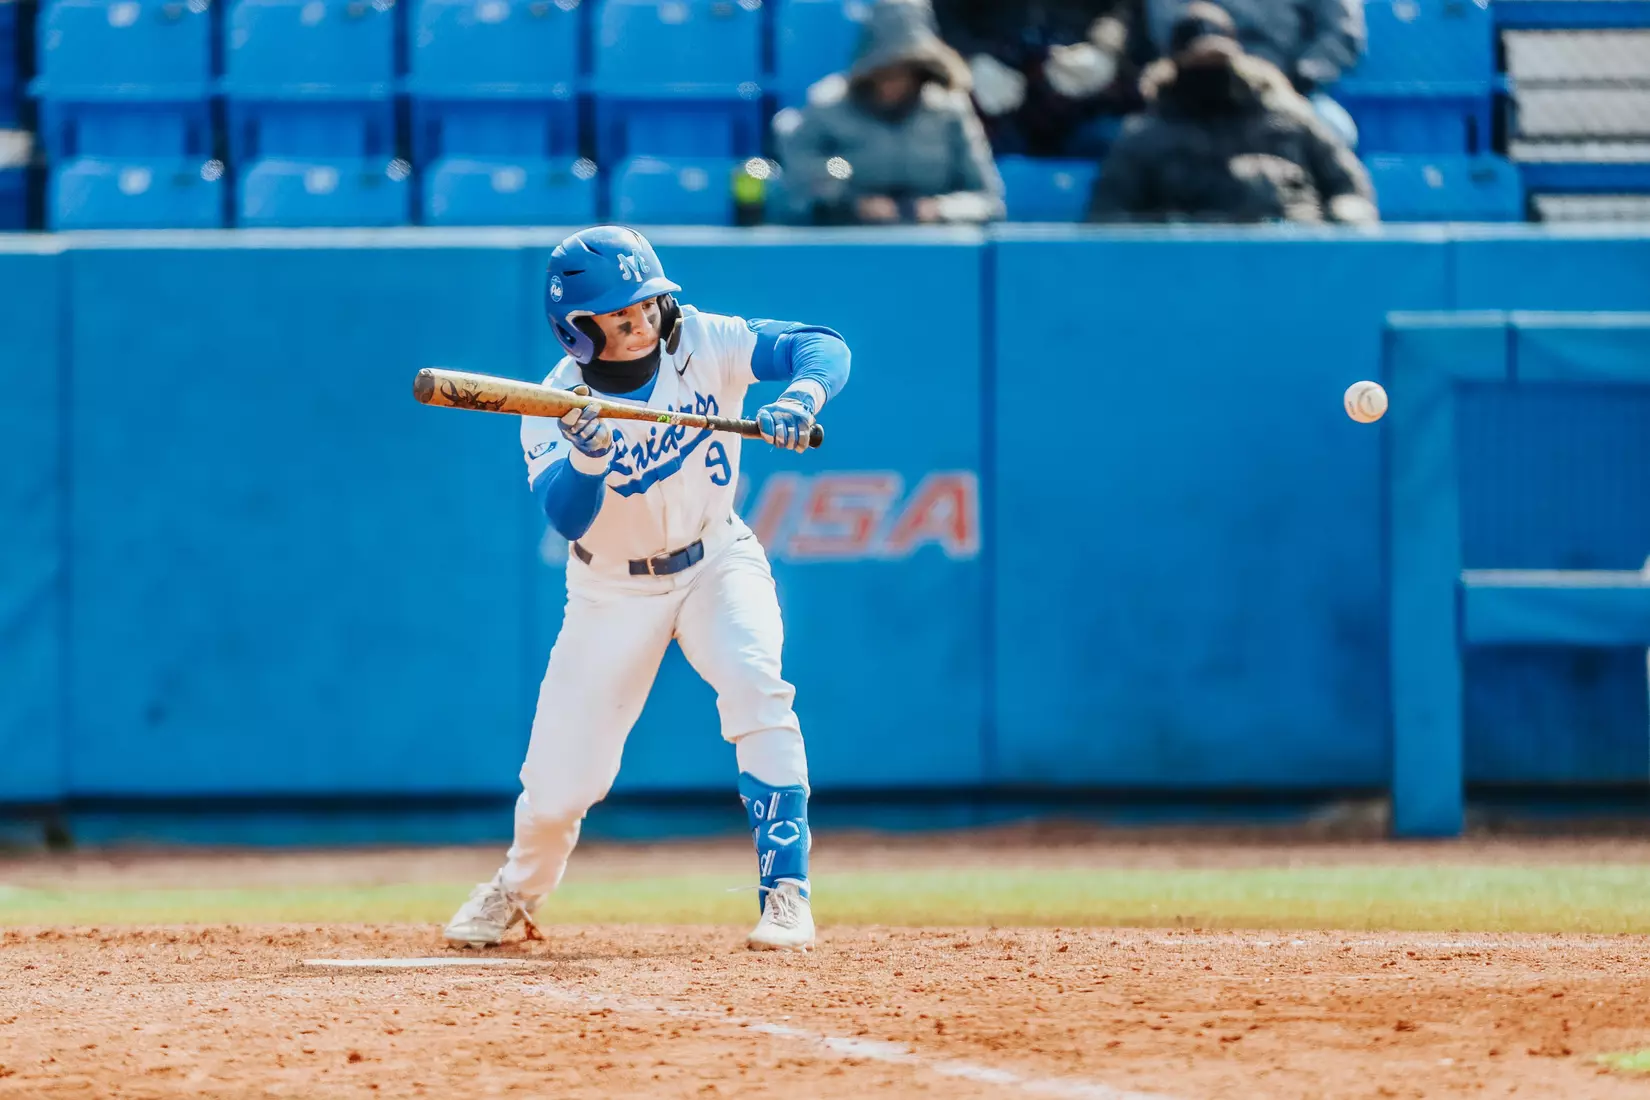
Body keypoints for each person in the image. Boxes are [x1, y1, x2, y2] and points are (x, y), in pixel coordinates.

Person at [442, 225, 851, 953]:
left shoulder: (702, 339)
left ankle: (786, 893)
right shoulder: (552, 403)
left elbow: (821, 344)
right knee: (561, 787)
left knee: (757, 685)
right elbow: (567, 516)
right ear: (578, 331)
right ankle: (517, 888)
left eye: (646, 304)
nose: (640, 321)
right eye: (618, 313)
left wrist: (803, 396)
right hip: (611, 591)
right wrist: (588, 457)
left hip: (717, 560)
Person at [1087, 2, 1376, 225]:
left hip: (1291, 264)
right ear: (1174, 62)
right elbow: (1107, 216)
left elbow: (1348, 187)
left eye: (1219, 59)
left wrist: (1345, 215)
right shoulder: (1144, 136)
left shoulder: (1289, 121)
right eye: (1198, 62)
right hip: (1188, 274)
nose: (1211, 72)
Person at [774, 0, 1003, 226]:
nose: (893, 83)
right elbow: (799, 181)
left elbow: (986, 197)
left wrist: (939, 209)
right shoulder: (828, 106)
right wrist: (851, 201)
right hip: (848, 243)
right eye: (885, 71)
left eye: (905, 72)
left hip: (935, 247)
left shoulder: (950, 111)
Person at [935, 0, 1151, 159]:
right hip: (994, 103)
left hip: (1083, 101)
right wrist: (969, 59)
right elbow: (933, 21)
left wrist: (1110, 48)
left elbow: (1129, 17)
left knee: (1119, 142)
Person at [1145, 0, 1365, 146]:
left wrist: (1304, 74)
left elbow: (1341, 33)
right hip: (1193, 93)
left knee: (1336, 129)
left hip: (1288, 91)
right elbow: (1166, 27)